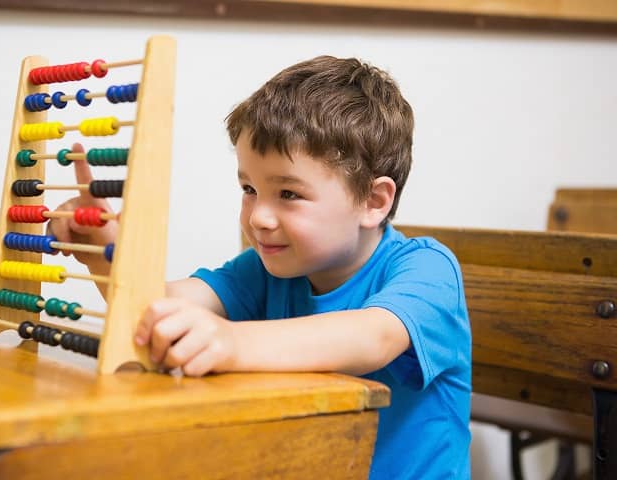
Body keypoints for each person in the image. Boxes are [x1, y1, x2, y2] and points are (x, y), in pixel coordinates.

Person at [49, 55, 471, 479]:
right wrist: (108, 251)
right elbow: (162, 309)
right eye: (249, 188)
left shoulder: (426, 269)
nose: (258, 217)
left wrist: (231, 342)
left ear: (373, 201)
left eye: (288, 193)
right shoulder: (267, 270)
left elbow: (373, 337)